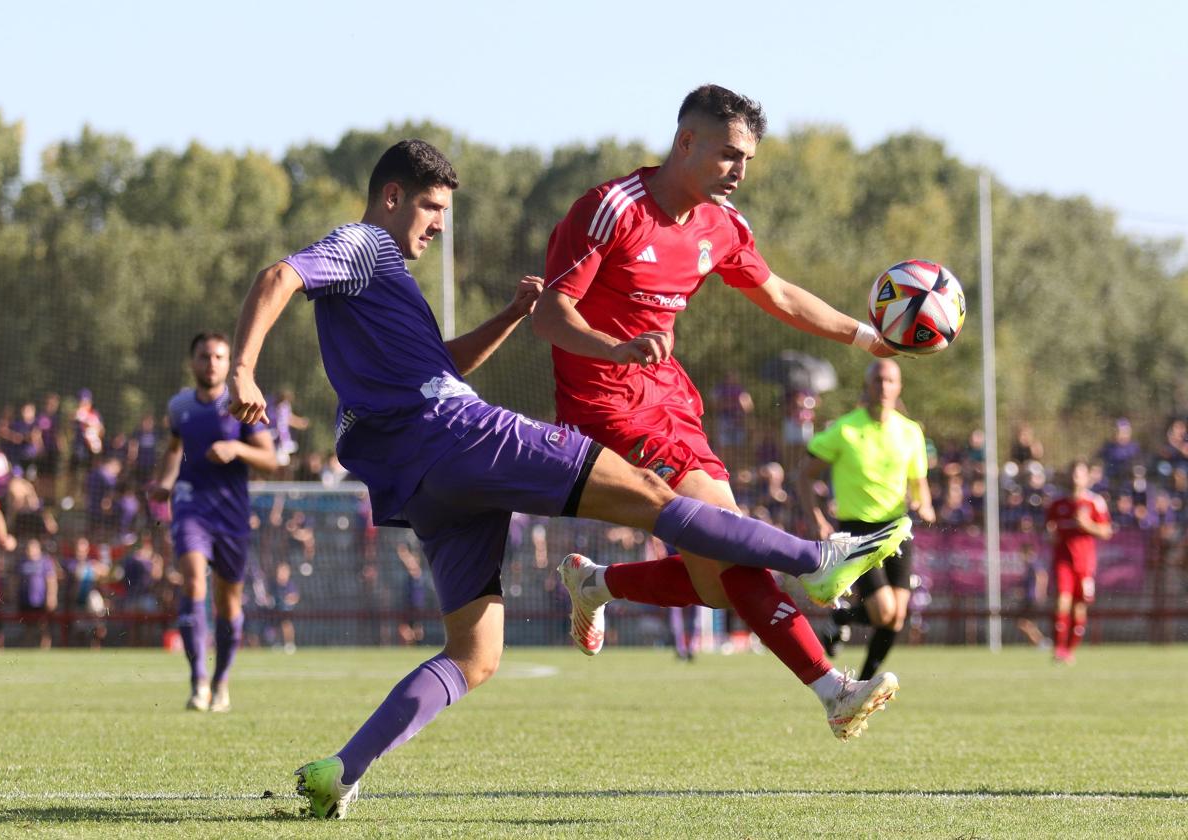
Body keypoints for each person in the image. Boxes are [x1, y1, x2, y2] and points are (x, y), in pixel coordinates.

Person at [225, 139, 911, 819]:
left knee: (475, 652)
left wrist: (511, 316)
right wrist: (242, 370)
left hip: (423, 480)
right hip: (460, 436)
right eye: (431, 207)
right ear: (393, 196)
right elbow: (280, 275)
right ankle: (814, 561)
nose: (438, 224)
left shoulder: (382, 284)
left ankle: (339, 771)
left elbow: (441, 363)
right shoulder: (366, 245)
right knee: (652, 495)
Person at [533, 83, 906, 722]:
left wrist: (864, 336)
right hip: (605, 401)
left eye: (748, 161)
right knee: (727, 547)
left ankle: (595, 582)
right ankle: (821, 618)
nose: (739, 172)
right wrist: (615, 349)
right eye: (730, 154)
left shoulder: (722, 226)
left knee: (716, 579)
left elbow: (781, 295)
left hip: (671, 397)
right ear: (686, 142)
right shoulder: (611, 208)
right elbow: (549, 314)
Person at [149, 331, 277, 713]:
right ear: (193, 362)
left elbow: (272, 459)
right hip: (191, 508)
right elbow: (174, 450)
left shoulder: (241, 404)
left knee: (229, 602)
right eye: (205, 356)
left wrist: (236, 447)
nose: (212, 363)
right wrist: (166, 483)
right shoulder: (179, 406)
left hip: (232, 515)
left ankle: (221, 681)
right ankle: (197, 683)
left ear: (228, 362)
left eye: (220, 357)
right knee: (191, 581)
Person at [798, 359, 935, 680]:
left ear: (899, 387)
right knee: (885, 610)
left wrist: (924, 504)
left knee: (896, 618)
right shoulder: (845, 429)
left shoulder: (910, 431)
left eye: (890, 381)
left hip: (898, 529)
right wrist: (816, 517)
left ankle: (860, 679)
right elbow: (804, 476)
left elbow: (919, 484)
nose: (884, 387)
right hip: (858, 531)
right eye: (878, 380)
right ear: (867, 385)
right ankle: (849, 649)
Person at [1045, 459, 1113, 664]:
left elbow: (1106, 531)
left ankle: (1070, 650)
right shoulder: (1057, 504)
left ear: (1087, 477)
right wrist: (1050, 536)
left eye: (1080, 473)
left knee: (1080, 607)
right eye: (1073, 473)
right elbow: (1049, 531)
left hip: (1085, 563)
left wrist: (1088, 525)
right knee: (1062, 601)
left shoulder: (1095, 502)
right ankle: (1059, 649)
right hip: (1063, 561)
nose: (1076, 477)